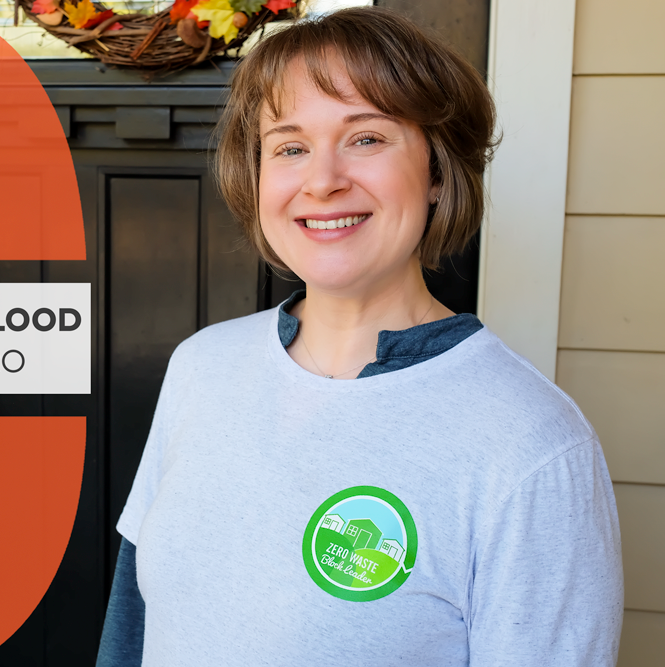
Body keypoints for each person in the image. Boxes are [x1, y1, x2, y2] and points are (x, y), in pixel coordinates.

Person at [96, 7, 623, 666]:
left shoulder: (532, 445)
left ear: (437, 171)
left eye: (366, 138)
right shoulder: (203, 367)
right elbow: (132, 624)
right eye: (289, 146)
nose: (322, 180)